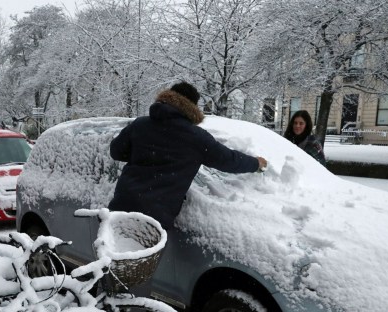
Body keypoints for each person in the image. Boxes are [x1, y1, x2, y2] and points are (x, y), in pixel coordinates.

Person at [108, 81, 268, 230]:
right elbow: (228, 160)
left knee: (114, 259)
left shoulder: (140, 125)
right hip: (153, 219)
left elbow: (116, 151)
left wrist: (143, 153)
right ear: (192, 107)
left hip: (121, 206)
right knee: (140, 260)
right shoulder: (196, 138)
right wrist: (255, 163)